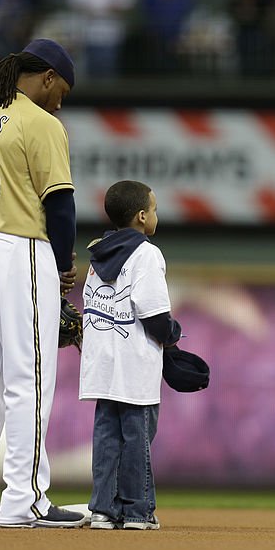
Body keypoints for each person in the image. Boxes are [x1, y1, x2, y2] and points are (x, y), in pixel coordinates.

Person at [0, 38, 85, 529]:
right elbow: (61, 204)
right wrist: (63, 263)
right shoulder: (40, 122)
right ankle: (24, 498)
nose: (61, 101)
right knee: (29, 377)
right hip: (15, 246)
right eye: (61, 89)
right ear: (47, 77)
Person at [80, 180, 182, 530]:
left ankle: (103, 511)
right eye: (153, 209)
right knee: (137, 437)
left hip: (101, 363)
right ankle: (138, 512)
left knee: (107, 437)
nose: (156, 215)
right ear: (142, 216)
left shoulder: (98, 255)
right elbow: (153, 314)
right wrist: (172, 337)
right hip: (134, 364)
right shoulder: (147, 253)